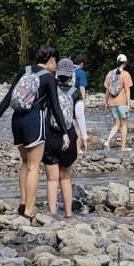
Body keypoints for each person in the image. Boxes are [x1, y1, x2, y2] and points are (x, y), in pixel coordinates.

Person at [0, 45, 70, 221]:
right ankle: (29, 209)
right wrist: (64, 131)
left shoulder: (24, 71)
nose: (56, 66)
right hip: (34, 121)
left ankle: (22, 202)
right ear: (50, 60)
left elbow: (9, 96)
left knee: (25, 163)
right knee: (35, 166)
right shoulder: (49, 78)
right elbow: (55, 106)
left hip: (16, 121)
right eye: (55, 62)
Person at [45, 57, 88, 218]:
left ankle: (52, 213)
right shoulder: (75, 93)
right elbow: (80, 116)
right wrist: (84, 137)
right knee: (65, 177)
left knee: (51, 179)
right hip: (68, 137)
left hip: (51, 136)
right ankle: (69, 213)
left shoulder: (50, 91)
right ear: (71, 75)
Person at [103, 52, 134, 151]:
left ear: (117, 62)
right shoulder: (125, 74)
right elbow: (127, 90)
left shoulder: (109, 73)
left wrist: (106, 102)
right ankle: (123, 148)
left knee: (116, 124)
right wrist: (129, 104)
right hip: (122, 103)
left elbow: (107, 89)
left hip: (112, 102)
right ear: (125, 63)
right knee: (124, 124)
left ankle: (107, 141)